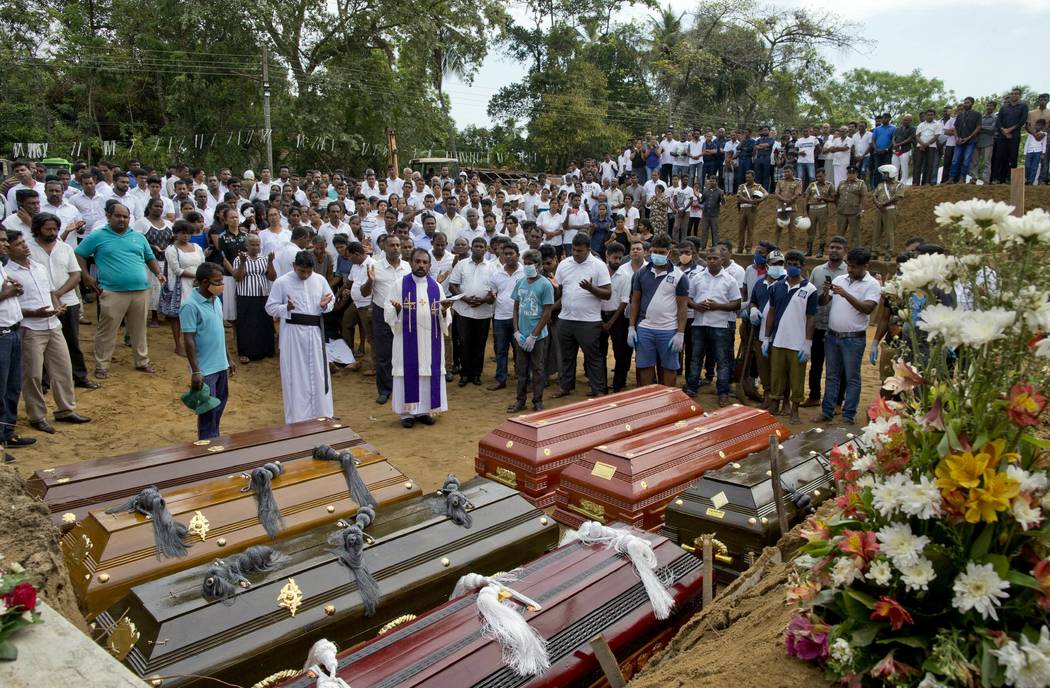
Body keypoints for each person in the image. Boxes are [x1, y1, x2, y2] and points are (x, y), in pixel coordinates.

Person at [6, 229, 91, 434]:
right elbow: (10, 305)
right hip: (30, 328)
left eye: (24, 242)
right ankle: (37, 415)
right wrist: (33, 313)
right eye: (18, 244)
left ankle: (65, 409)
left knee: (62, 368)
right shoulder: (8, 273)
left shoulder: (38, 266)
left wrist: (57, 305)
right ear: (8, 249)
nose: (24, 245)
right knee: (33, 375)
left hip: (53, 325)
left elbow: (51, 292)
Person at [74, 202, 165, 378]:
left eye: (125, 216)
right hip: (112, 292)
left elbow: (149, 257)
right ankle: (102, 365)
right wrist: (86, 276)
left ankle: (142, 361)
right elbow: (79, 253)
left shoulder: (138, 237)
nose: (122, 219)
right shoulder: (98, 236)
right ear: (109, 216)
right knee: (107, 330)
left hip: (140, 290)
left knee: (139, 329)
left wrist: (158, 273)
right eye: (118, 216)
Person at [27, 213, 97, 390]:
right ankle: (44, 382)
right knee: (39, 345)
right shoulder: (28, 249)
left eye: (55, 229)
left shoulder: (65, 248)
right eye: (47, 229)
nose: (52, 232)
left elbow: (75, 275)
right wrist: (52, 297)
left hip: (68, 302)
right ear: (37, 229)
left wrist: (57, 294)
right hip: (39, 305)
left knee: (72, 341)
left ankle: (79, 377)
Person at [265, 250, 336, 424]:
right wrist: (286, 308)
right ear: (294, 266)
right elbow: (270, 307)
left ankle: (322, 413)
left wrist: (324, 306)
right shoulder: (282, 282)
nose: (305, 275)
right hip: (293, 334)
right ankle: (297, 418)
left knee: (318, 373)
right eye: (301, 271)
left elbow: (330, 300)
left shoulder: (320, 280)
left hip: (314, 332)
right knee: (295, 374)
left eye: (308, 272)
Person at [384, 249, 451, 427]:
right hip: (407, 341)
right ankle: (406, 413)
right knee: (407, 372)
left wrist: (444, 312)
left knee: (428, 372)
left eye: (425, 262)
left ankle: (424, 411)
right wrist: (397, 310)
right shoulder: (399, 284)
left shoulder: (436, 286)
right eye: (418, 261)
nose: (421, 265)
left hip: (431, 340)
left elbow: (445, 313)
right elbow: (387, 310)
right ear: (411, 262)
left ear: (429, 265)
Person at [817, 247, 881, 425]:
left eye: (854, 267)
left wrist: (845, 294)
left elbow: (868, 308)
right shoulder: (839, 279)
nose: (850, 270)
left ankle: (848, 415)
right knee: (831, 375)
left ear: (865, 266)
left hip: (854, 338)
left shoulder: (872, 285)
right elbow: (823, 302)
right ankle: (827, 411)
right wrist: (824, 292)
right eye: (849, 266)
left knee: (852, 377)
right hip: (832, 336)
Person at [552, 233, 612, 398]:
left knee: (593, 357)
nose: (576, 253)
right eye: (574, 250)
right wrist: (555, 287)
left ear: (589, 249)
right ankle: (565, 386)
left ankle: (598, 389)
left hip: (589, 321)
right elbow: (560, 291)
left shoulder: (598, 266)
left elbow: (607, 294)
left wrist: (591, 288)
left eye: (580, 250)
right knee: (566, 356)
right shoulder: (564, 264)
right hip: (565, 319)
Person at [762, 249, 818, 423]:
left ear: (802, 267)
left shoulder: (810, 289)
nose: (792, 267)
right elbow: (771, 313)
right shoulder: (776, 286)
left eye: (796, 264)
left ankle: (794, 410)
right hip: (778, 340)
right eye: (789, 264)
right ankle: (775, 405)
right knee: (777, 375)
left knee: (797, 378)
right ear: (785, 265)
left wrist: (808, 343)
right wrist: (766, 338)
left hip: (797, 342)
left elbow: (811, 318)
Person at [181, 262, 234, 439]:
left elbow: (219, 331)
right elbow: (188, 339)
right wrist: (196, 371)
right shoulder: (190, 306)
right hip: (205, 369)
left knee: (219, 405)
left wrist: (229, 358)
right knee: (207, 410)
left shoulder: (216, 300)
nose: (221, 285)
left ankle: (214, 437)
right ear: (204, 282)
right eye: (217, 281)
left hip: (220, 365)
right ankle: (206, 443)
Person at [627, 234, 688, 387]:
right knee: (645, 367)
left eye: (661, 252)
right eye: (655, 251)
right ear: (650, 251)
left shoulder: (679, 276)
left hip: (668, 330)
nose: (658, 255)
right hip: (645, 328)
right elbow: (635, 301)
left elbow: (682, 307)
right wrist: (631, 327)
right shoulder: (641, 273)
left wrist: (680, 333)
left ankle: (668, 401)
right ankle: (648, 401)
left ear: (669, 252)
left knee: (669, 368)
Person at [684, 246, 741, 405]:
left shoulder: (730, 280)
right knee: (696, 358)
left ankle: (723, 392)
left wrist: (718, 306)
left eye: (715, 258)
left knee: (721, 360)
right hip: (699, 323)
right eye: (709, 258)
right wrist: (696, 306)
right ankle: (692, 388)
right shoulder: (697, 278)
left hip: (720, 325)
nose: (711, 261)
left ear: (722, 260)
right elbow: (688, 298)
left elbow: (737, 303)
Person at [364, 234, 411, 404]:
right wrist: (370, 281)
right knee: (383, 354)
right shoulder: (375, 267)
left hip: (404, 314)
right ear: (384, 247)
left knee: (404, 352)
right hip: (382, 313)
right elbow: (365, 292)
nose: (396, 248)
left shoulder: (408, 267)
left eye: (398, 245)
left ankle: (404, 388)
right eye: (392, 245)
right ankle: (385, 390)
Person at [804, 236, 848, 408]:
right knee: (816, 364)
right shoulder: (817, 270)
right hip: (818, 324)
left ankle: (837, 402)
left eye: (838, 248)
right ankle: (814, 396)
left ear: (845, 251)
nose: (833, 250)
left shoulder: (848, 272)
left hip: (838, 327)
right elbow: (810, 296)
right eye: (831, 247)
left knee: (838, 366)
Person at [509, 249, 555, 412]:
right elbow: (515, 308)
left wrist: (534, 336)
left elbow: (547, 312)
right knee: (521, 370)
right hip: (521, 335)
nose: (527, 267)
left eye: (530, 264)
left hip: (539, 337)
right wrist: (516, 331)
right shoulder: (520, 283)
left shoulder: (545, 285)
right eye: (525, 264)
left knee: (538, 369)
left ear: (539, 265)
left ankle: (537, 401)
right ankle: (520, 401)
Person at [0, 229, 32, 457]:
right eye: (1, 240)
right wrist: (6, 293)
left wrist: (12, 291)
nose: (4, 244)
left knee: (12, 388)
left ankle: (7, 434)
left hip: (12, 331)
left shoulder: (1, 266)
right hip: (1, 335)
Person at [448, 236, 495, 387]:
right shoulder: (461, 265)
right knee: (464, 343)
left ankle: (476, 374)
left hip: (483, 312)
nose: (479, 249)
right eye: (476, 246)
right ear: (471, 248)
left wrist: (482, 300)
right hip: (464, 311)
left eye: (482, 246)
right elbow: (452, 285)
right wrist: (466, 299)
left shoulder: (492, 267)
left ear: (486, 249)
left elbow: (495, 290)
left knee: (479, 344)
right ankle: (464, 374)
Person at [747, 250, 785, 408]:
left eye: (780, 264)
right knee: (763, 366)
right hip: (759, 331)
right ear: (767, 265)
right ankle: (767, 396)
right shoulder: (759, 283)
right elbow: (753, 301)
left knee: (777, 368)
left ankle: (777, 399)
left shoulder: (785, 284)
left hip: (778, 334)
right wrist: (753, 309)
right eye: (774, 263)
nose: (778, 266)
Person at [161, 220, 205, 356]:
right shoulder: (171, 250)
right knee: (177, 316)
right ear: (176, 234)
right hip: (180, 285)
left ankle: (194, 343)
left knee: (196, 314)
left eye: (188, 233)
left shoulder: (197, 247)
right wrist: (196, 276)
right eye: (183, 233)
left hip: (196, 284)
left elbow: (203, 263)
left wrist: (200, 277)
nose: (186, 236)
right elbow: (176, 270)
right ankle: (178, 345)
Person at [485, 242, 524, 391]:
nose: (508, 257)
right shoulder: (496, 275)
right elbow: (491, 298)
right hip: (500, 317)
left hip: (519, 318)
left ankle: (522, 379)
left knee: (519, 351)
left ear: (517, 255)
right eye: (505, 254)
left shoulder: (524, 273)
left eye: (511, 253)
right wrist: (490, 297)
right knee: (501, 350)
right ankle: (501, 379)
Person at [232, 234, 274, 362]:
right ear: (246, 246)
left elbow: (272, 277)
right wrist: (243, 263)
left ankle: (265, 350)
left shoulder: (264, 259)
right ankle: (245, 352)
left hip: (263, 295)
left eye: (257, 244)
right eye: (253, 245)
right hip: (246, 296)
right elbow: (237, 277)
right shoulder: (239, 259)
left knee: (264, 323)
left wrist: (271, 262)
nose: (256, 247)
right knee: (246, 324)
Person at [601, 242, 632, 393]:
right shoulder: (599, 273)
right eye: (615, 258)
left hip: (617, 317)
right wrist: (601, 321)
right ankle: (600, 385)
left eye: (620, 258)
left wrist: (610, 322)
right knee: (599, 352)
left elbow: (624, 302)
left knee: (620, 352)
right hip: (599, 316)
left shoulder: (625, 276)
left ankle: (619, 384)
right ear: (607, 256)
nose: (617, 261)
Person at [991, 88, 1029, 184]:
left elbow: (1022, 120)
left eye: (1016, 94)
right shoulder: (1004, 107)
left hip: (1014, 135)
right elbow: (999, 121)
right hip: (1002, 135)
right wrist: (1004, 131)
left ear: (1019, 96)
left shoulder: (1023, 106)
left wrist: (1010, 130)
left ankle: (1010, 179)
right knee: (999, 156)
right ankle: (997, 178)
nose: (1013, 95)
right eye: (1012, 93)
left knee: (1012, 157)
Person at [872, 165, 904, 260]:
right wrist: (878, 204)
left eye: (885, 173)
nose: (883, 175)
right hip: (879, 209)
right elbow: (874, 195)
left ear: (891, 173)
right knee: (876, 231)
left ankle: (888, 253)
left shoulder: (899, 185)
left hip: (890, 209)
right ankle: (874, 251)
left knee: (889, 232)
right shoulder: (881, 185)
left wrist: (883, 204)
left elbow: (897, 197)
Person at [802, 168, 833, 257]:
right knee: (810, 230)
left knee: (822, 230)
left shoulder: (829, 185)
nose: (818, 178)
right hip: (812, 208)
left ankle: (821, 251)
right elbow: (805, 198)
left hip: (823, 208)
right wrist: (805, 212)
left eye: (821, 176)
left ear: (824, 175)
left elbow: (834, 199)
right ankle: (809, 250)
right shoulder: (812, 185)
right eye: (817, 176)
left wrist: (823, 198)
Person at [834, 166, 867, 248]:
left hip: (854, 212)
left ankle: (856, 251)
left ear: (856, 174)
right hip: (841, 212)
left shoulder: (861, 183)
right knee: (840, 233)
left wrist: (862, 210)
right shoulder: (842, 183)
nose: (851, 175)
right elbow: (836, 195)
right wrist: (837, 206)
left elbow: (864, 197)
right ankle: (838, 248)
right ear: (847, 174)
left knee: (855, 233)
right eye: (849, 173)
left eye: (853, 173)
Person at [736, 170, 765, 253]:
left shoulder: (758, 186)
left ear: (753, 177)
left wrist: (759, 200)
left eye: (749, 177)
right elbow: (739, 197)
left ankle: (748, 248)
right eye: (746, 177)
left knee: (750, 229)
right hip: (742, 208)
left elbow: (766, 194)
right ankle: (740, 248)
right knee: (741, 229)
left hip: (752, 210)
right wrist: (750, 201)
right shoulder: (741, 186)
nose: (747, 179)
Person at [773, 166, 802, 249]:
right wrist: (785, 200)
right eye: (784, 172)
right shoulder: (780, 181)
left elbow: (797, 193)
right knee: (778, 228)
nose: (785, 173)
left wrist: (790, 200)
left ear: (792, 172)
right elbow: (776, 193)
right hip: (781, 208)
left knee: (792, 229)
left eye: (787, 172)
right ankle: (775, 246)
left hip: (792, 208)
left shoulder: (798, 182)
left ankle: (792, 246)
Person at [698, 176, 724, 250]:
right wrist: (697, 196)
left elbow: (723, 203)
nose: (711, 182)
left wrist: (722, 197)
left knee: (715, 232)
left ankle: (715, 247)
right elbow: (701, 201)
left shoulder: (720, 191)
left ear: (716, 182)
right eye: (710, 181)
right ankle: (703, 247)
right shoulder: (705, 191)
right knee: (704, 231)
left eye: (713, 181)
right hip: (705, 215)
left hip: (715, 215)